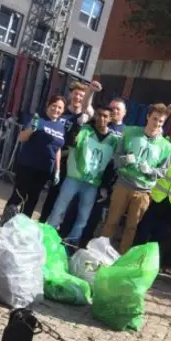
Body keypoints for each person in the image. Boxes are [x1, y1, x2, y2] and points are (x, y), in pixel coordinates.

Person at [100, 103, 171, 254]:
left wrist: (151, 171)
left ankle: (122, 258)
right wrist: (125, 160)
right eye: (155, 119)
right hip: (123, 183)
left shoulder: (167, 147)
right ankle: (100, 251)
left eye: (161, 121)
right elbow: (115, 157)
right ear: (148, 117)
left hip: (143, 191)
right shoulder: (130, 132)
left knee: (132, 227)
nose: (157, 123)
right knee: (112, 221)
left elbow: (163, 172)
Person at [46, 106, 119, 246]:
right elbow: (72, 141)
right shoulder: (85, 130)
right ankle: (48, 237)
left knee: (83, 216)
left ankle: (71, 244)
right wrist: (78, 126)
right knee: (59, 209)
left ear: (110, 119)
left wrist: (105, 186)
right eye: (99, 115)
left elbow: (112, 164)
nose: (101, 118)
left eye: (105, 116)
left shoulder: (114, 140)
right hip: (74, 178)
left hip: (93, 183)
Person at [60, 96, 126, 245]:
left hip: (104, 180)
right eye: (112, 108)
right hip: (84, 176)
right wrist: (91, 91)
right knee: (72, 209)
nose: (114, 111)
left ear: (124, 113)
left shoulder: (125, 132)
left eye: (118, 109)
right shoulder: (95, 124)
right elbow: (87, 107)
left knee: (92, 215)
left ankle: (81, 243)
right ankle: (63, 236)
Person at [1, 95, 67, 220]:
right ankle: (5, 222)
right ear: (48, 105)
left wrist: (57, 170)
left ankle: (23, 226)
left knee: (33, 198)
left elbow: (57, 149)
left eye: (60, 107)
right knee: (19, 195)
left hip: (44, 169)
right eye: (54, 105)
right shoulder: (38, 119)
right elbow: (22, 138)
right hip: (28, 165)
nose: (56, 109)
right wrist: (32, 128)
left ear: (63, 111)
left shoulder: (61, 126)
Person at [39, 81, 94, 222]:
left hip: (68, 161)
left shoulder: (84, 118)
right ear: (70, 94)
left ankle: (46, 221)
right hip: (48, 156)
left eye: (82, 95)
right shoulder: (61, 111)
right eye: (76, 94)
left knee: (56, 193)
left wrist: (91, 91)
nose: (78, 98)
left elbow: (89, 108)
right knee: (39, 188)